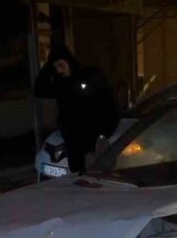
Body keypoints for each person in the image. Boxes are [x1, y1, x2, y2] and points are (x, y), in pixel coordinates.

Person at [34, 45, 119, 174]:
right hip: (73, 145)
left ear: (68, 61)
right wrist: (47, 68)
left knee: (95, 176)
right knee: (77, 178)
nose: (59, 70)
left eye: (61, 65)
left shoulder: (89, 76)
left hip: (93, 143)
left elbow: (108, 106)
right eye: (55, 67)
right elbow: (39, 91)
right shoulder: (60, 83)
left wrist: (103, 135)